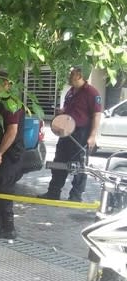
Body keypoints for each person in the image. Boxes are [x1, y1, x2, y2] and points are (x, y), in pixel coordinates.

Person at [38, 67, 102, 202]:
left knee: (79, 166)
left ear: (79, 75)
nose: (69, 76)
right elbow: (69, 109)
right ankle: (53, 192)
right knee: (59, 162)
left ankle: (75, 196)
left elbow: (97, 115)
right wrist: (61, 111)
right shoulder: (71, 91)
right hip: (66, 132)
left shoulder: (91, 92)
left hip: (81, 133)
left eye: (72, 74)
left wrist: (92, 136)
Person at [0, 70, 25, 240]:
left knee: (4, 187)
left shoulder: (11, 103)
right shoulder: (1, 102)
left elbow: (11, 131)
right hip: (7, 151)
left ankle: (8, 228)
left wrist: (0, 153)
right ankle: (0, 218)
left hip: (11, 153)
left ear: (6, 84)